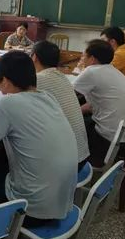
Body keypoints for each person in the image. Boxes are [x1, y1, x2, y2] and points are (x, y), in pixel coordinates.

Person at [0, 51, 77, 227]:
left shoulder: (7, 104)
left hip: (31, 209)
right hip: (62, 201)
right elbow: (13, 112)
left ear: (6, 81)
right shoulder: (47, 97)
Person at [74, 40, 125, 167]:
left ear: (92, 59)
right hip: (123, 137)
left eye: (83, 56)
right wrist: (77, 111)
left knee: (70, 128)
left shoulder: (92, 71)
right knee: (79, 118)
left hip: (107, 140)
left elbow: (66, 95)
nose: (81, 59)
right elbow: (92, 105)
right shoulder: (113, 71)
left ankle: (74, 162)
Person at [31, 41, 90, 170]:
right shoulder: (62, 77)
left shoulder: (37, 80)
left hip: (65, 167)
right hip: (81, 156)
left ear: (34, 57)